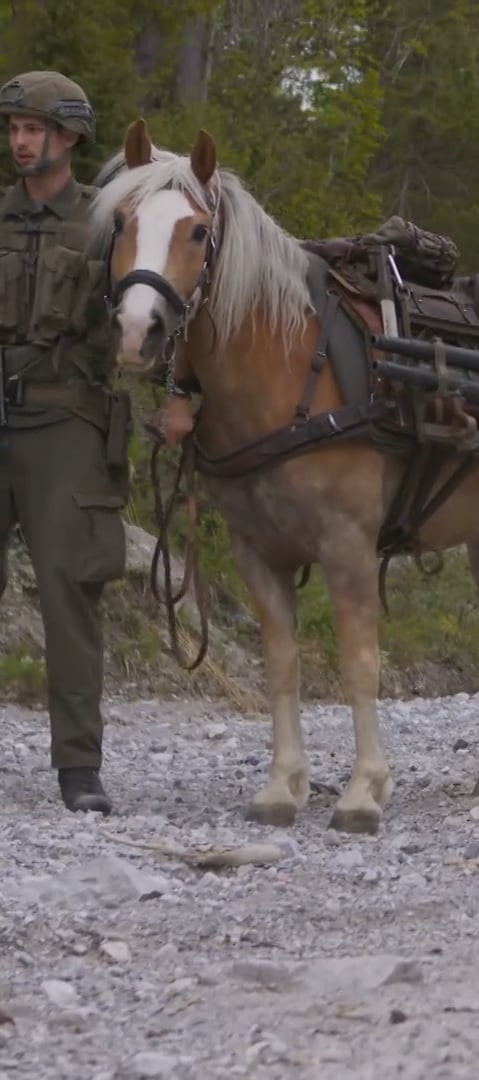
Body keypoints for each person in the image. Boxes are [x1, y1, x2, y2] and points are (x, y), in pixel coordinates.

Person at [1, 71, 128, 814]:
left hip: (66, 425)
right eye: (13, 127)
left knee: (69, 596)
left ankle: (78, 768)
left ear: (69, 137)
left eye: (33, 128)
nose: (20, 140)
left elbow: (151, 321)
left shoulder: (105, 226)